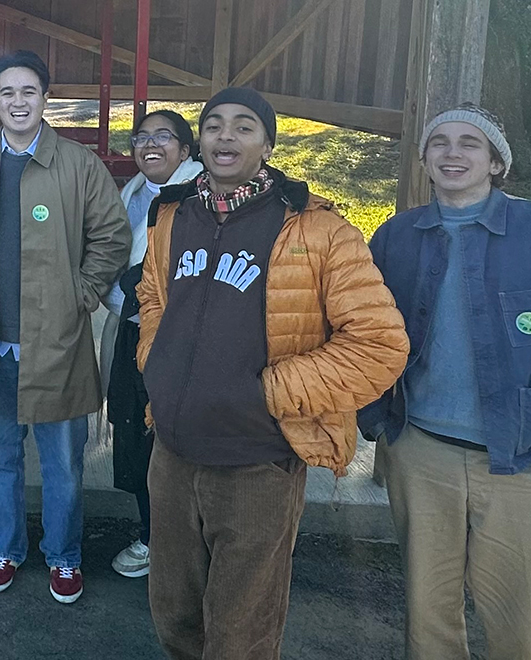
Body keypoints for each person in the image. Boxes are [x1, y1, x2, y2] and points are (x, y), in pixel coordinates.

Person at [135, 86, 408, 659]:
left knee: (241, 632)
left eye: (243, 127)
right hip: (173, 452)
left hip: (258, 458)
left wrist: (266, 393)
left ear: (267, 145)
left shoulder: (316, 229)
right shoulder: (173, 215)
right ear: (199, 140)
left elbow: (378, 345)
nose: (225, 137)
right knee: (175, 616)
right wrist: (155, 365)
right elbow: (153, 296)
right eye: (214, 125)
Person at [360, 103, 531, 660]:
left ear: (497, 162)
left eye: (470, 144)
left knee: (523, 630)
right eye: (440, 143)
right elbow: (364, 333)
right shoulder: (397, 236)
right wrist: (380, 420)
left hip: (525, 462)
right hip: (422, 455)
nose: (453, 153)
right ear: (425, 158)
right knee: (428, 624)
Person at [0, 50, 131, 604]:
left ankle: (64, 557)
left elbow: (111, 235)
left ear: (46, 98)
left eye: (28, 91)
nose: (17, 102)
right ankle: (6, 548)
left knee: (63, 464)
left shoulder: (78, 165)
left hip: (57, 344)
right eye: (6, 93)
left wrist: (83, 293)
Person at [101, 109, 203, 579]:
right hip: (133, 329)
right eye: (141, 137)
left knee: (173, 439)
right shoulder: (136, 193)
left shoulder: (200, 197)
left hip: (181, 344)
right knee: (134, 429)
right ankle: (152, 534)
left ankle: (180, 544)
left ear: (186, 149)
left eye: (164, 136)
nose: (150, 144)